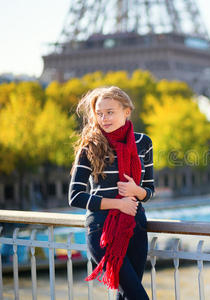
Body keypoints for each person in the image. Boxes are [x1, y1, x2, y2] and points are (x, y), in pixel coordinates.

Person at [68, 86, 154, 299]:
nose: (104, 118)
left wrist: (136, 191)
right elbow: (75, 196)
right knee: (137, 296)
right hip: (102, 230)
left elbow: (150, 190)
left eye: (110, 112)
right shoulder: (91, 146)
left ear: (127, 111)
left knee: (126, 296)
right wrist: (118, 204)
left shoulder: (144, 143)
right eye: (99, 113)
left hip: (135, 225)